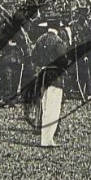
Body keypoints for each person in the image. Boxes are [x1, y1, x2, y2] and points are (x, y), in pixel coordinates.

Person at [31, 17, 69, 148]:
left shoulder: (40, 39)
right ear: (58, 28)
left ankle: (45, 138)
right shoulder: (58, 42)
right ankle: (47, 139)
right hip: (55, 76)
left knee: (45, 106)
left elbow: (33, 56)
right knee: (53, 109)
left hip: (42, 74)